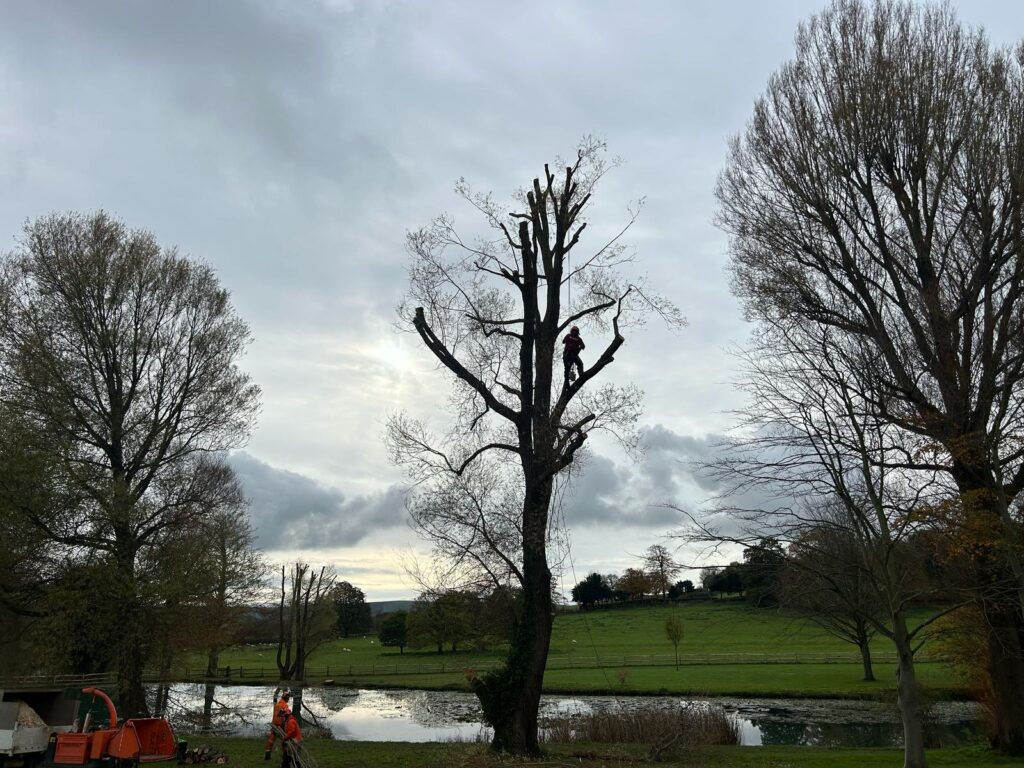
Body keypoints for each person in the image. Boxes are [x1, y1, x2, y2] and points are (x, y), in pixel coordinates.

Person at [264, 690, 291, 760]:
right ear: (286, 698)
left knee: (271, 739)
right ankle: (285, 754)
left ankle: (267, 752)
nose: (289, 699)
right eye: (288, 698)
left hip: (274, 724)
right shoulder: (285, 705)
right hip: (280, 725)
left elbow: (275, 715)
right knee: (284, 739)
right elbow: (286, 715)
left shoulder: (277, 704)